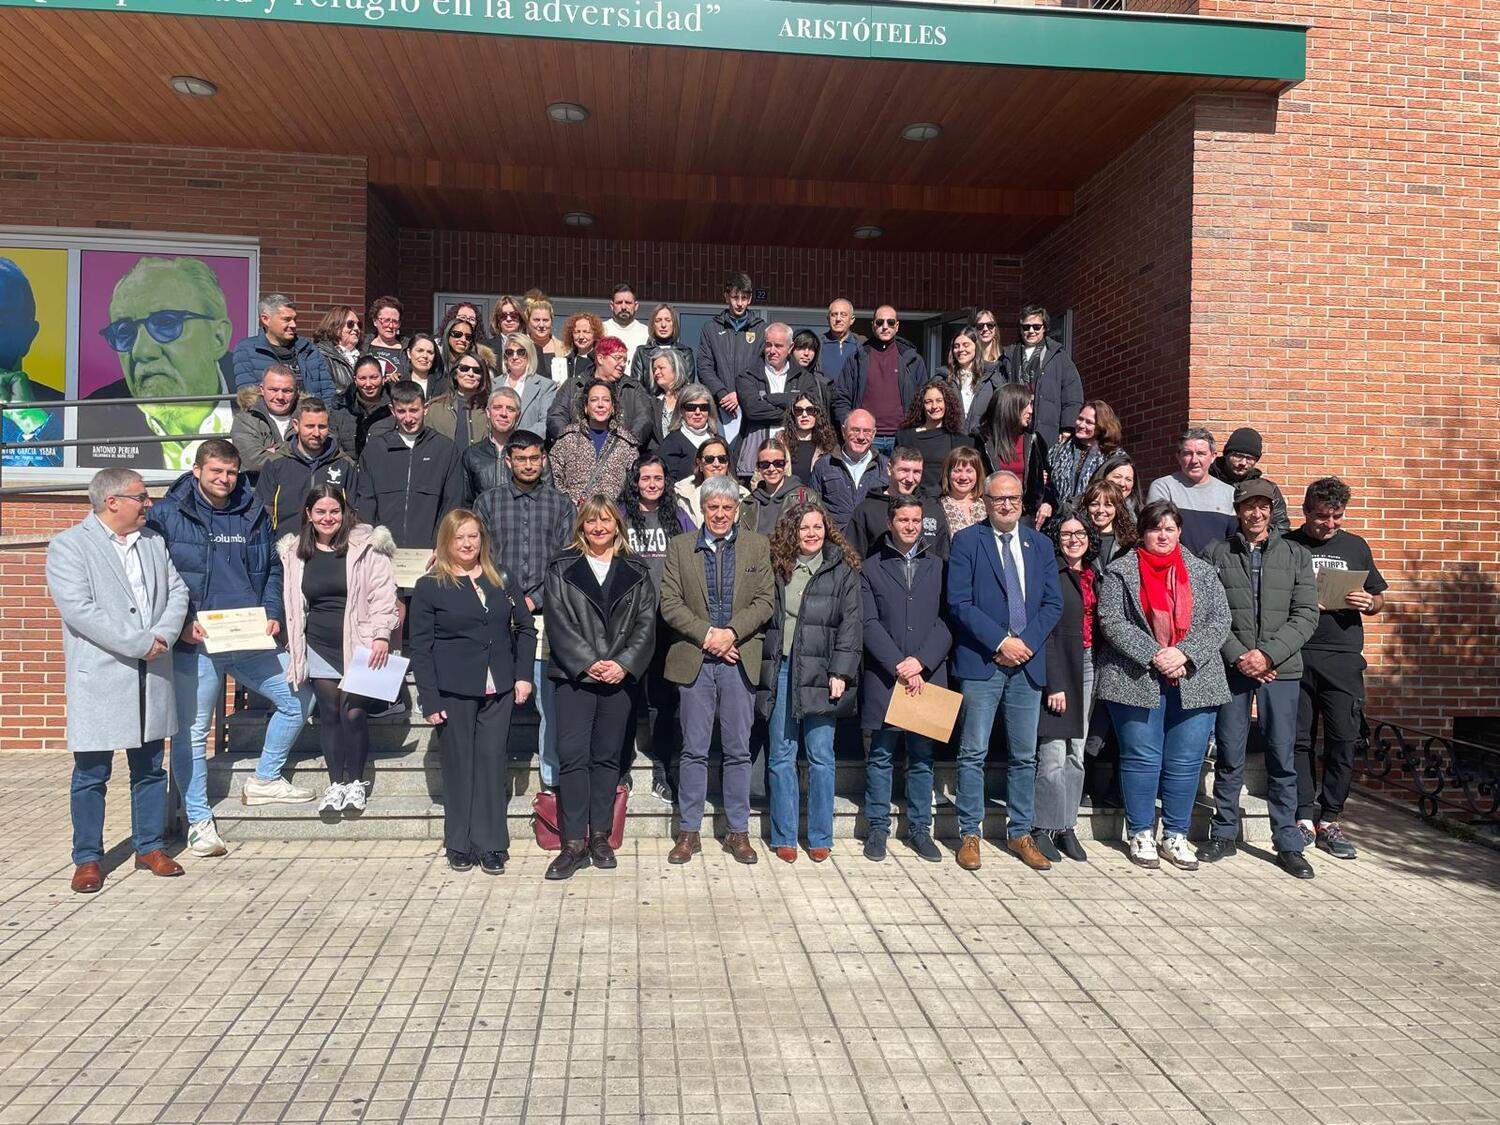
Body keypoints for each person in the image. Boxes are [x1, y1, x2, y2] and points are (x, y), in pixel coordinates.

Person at [149, 439, 312, 860]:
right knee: (193, 732)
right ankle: (199, 820)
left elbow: (273, 566)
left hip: (248, 635)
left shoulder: (253, 509)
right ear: (198, 469)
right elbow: (153, 579)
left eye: (231, 472)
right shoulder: (169, 513)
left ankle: (265, 777)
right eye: (216, 471)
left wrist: (273, 611)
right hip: (197, 642)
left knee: (297, 698)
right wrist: (181, 625)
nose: (224, 479)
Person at [48, 467, 190, 893]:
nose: (149, 504)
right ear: (112, 502)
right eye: (141, 497)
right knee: (91, 773)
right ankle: (88, 858)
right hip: (103, 676)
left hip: (153, 672)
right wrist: (138, 643)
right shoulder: (70, 545)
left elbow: (178, 591)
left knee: (149, 768)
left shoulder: (153, 542)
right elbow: (79, 610)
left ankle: (149, 847)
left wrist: (162, 636)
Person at [1094, 499, 1232, 871]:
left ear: (1180, 532)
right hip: (1134, 677)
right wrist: (1156, 654)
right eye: (1156, 528)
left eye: (1170, 528)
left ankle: (1175, 834)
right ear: (1142, 532)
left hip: (1195, 678)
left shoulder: (1202, 572)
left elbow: (1221, 621)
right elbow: (1111, 620)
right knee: (1142, 758)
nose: (1163, 535)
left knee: (1186, 762)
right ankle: (1140, 833)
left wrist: (1183, 653)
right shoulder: (1120, 571)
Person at [1200, 480, 1319, 877]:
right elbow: (1208, 613)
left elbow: (1306, 614)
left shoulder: (1296, 555)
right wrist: (1239, 656)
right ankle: (1224, 833)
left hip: (1280, 670)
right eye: (1248, 506)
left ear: (1272, 510)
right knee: (1230, 754)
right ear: (1237, 511)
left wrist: (1267, 654)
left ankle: (1286, 841)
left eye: (1263, 507)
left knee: (1282, 756)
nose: (1256, 514)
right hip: (1233, 670)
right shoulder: (1216, 553)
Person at [946, 470, 1064, 871]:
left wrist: (1023, 645)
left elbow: (1052, 603)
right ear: (986, 501)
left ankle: (1019, 834)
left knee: (1024, 756)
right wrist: (1001, 642)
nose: (1007, 504)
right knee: (973, 752)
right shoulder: (966, 542)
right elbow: (959, 603)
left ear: (1022, 502)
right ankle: (970, 834)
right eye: (999, 499)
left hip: (1026, 665)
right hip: (983, 662)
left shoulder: (1040, 544)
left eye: (1013, 498)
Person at [410, 510, 535, 874]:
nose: (467, 544)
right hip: (454, 690)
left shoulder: (501, 579)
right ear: (446, 542)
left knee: (492, 764)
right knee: (460, 765)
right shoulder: (431, 585)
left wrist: (523, 676)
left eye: (473, 536)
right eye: (459, 538)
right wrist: (429, 698)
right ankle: (459, 843)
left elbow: (525, 629)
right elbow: (421, 646)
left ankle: (492, 843)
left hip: (498, 689)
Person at [658, 476, 775, 865]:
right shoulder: (679, 547)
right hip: (696, 659)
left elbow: (765, 602)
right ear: (702, 510)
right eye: (713, 508)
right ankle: (688, 831)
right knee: (693, 750)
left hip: (739, 659)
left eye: (727, 507)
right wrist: (710, 636)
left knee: (739, 750)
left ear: (737, 509)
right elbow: (670, 603)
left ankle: (737, 832)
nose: (721, 514)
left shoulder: (757, 545)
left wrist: (732, 635)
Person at [542, 496, 657, 880]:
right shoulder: (561, 567)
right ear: (581, 526)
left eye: (606, 520)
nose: (598, 527)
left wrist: (622, 664)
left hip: (618, 679)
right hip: (574, 676)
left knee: (608, 758)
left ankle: (601, 837)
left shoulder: (637, 570)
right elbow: (558, 621)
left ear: (617, 526)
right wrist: (590, 662)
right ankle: (574, 842)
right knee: (574, 756)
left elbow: (645, 624)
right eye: (591, 521)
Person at [278, 486, 399, 815]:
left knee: (353, 713)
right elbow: (293, 601)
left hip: (360, 644)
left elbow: (384, 594)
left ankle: (356, 782)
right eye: (320, 512)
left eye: (334, 511)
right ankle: (336, 784)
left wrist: (382, 636)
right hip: (317, 643)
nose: (327, 518)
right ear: (308, 515)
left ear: (344, 513)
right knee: (329, 715)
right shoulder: (295, 552)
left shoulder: (367, 546)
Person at [1286, 477, 1388, 860]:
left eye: (1337, 517)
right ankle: (1301, 815)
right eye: (1322, 517)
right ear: (1306, 512)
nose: (1329, 524)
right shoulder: (1289, 545)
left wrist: (1369, 603)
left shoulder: (1356, 546)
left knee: (1343, 737)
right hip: (1297, 651)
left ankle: (1330, 817)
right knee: (1298, 738)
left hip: (1343, 654)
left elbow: (1378, 600)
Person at [472, 430, 575, 790]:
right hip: (497, 617)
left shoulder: (561, 503)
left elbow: (566, 562)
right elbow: (478, 557)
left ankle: (552, 782)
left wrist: (534, 600)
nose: (528, 465)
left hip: (546, 618)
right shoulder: (488, 503)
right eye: (521, 459)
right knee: (495, 703)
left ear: (543, 459)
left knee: (550, 706)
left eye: (534, 458)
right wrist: (509, 601)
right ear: (508, 461)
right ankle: (489, 781)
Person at [761, 500, 862, 862]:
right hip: (783, 668)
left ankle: (820, 835)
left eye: (817, 527)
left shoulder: (842, 569)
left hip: (823, 673)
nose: (811, 534)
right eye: (804, 528)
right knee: (781, 754)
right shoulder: (779, 567)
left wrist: (841, 672)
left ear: (827, 530)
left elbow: (851, 625)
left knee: (821, 755)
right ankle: (784, 835)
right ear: (793, 531)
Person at [859, 494, 951, 864]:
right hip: (886, 675)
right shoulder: (870, 567)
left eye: (916, 521)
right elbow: (867, 622)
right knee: (880, 754)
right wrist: (900, 663)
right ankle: (878, 828)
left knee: (922, 756)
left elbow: (947, 620)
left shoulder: (940, 567)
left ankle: (918, 830)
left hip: (926, 676)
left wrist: (921, 662)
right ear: (890, 522)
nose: (910, 527)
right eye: (903, 520)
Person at [81, 256, 236, 471]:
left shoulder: (261, 406)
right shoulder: (94, 418)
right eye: (125, 332)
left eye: (166, 323)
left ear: (218, 338)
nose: (142, 351)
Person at [623, 457, 694, 803]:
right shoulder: (621, 514)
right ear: (635, 480)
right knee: (625, 700)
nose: (651, 484)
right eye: (645, 478)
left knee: (663, 702)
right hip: (627, 624)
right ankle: (621, 770)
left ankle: (663, 770)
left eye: (658, 478)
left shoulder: (677, 516)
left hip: (666, 622)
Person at [1033, 512, 1100, 864]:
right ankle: (1043, 825)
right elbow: (1045, 631)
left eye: (1080, 532)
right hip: (1060, 667)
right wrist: (1053, 683)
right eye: (1066, 532)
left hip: (1089, 664)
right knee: (1054, 752)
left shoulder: (1094, 574)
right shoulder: (1050, 574)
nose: (1073, 538)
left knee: (1077, 749)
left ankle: (1066, 824)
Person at [353, 381, 464, 550]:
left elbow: (452, 504)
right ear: (392, 410)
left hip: (430, 551)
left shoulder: (445, 449)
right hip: (381, 552)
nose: (408, 418)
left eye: (414, 410)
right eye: (401, 411)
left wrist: (441, 545)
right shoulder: (375, 449)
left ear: (425, 409)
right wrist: (371, 543)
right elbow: (365, 504)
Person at [734, 322, 825, 477]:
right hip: (755, 456)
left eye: (778, 346)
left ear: (790, 348)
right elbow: (753, 410)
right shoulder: (747, 376)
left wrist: (769, 399)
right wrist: (793, 409)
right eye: (768, 345)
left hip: (793, 458)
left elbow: (813, 409)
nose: (772, 351)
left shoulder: (805, 379)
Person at [256, 397, 357, 536]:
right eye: (310, 426)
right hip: (287, 547)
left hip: (332, 547)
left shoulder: (344, 465)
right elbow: (263, 511)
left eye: (322, 427)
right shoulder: (275, 464)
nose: (316, 433)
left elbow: (353, 512)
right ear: (296, 425)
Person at [833, 304, 927, 450]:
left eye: (890, 322)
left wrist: (916, 430)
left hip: (902, 437)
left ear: (897, 326)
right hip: (866, 438)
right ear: (873, 325)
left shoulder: (912, 359)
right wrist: (849, 428)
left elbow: (923, 398)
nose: (885, 326)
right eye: (879, 322)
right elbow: (841, 397)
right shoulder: (858, 357)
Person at [998, 305, 1082, 451]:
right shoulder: (1008, 356)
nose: (1031, 331)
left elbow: (1072, 393)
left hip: (1047, 429)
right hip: (1014, 428)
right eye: (1026, 327)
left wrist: (1067, 427)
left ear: (1044, 328)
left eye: (1036, 327)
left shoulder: (1058, 356)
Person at [845, 445, 950, 560]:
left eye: (916, 472)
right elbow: (852, 558)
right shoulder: (867, 510)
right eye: (904, 470)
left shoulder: (932, 509)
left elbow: (943, 558)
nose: (910, 479)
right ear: (890, 469)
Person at [548, 378, 642, 506]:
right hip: (575, 517)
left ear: (613, 407)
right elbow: (553, 476)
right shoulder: (568, 439)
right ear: (586, 407)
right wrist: (569, 505)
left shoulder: (626, 443)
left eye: (606, 400)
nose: (600, 405)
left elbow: (634, 484)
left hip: (612, 517)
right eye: (594, 400)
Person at [547, 336, 652, 446]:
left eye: (625, 360)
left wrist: (625, 445)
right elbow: (556, 417)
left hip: (621, 454)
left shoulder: (633, 388)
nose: (622, 364)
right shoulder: (573, 385)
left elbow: (644, 420)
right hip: (576, 452)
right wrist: (570, 443)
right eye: (618, 358)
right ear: (600, 358)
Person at [1146, 428, 1237, 555]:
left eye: (1201, 453)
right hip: (1174, 569)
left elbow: (1233, 541)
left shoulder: (1229, 494)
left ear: (1213, 457)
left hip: (1216, 571)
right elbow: (1158, 537)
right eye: (1187, 453)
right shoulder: (1163, 487)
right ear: (1178, 457)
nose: (1194, 460)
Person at [694, 272, 761, 442]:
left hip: (750, 406)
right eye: (735, 297)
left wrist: (741, 394)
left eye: (744, 298)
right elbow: (704, 367)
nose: (739, 303)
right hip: (719, 406)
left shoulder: (761, 329)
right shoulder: (710, 328)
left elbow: (762, 368)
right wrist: (722, 393)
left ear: (750, 299)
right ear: (726, 297)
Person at [231, 293, 336, 401]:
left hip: (311, 415)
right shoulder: (247, 350)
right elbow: (249, 396)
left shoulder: (309, 350)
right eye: (286, 319)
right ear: (265, 319)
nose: (293, 325)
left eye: (295, 319)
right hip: (267, 417)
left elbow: (328, 392)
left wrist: (320, 416)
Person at [809, 408, 889, 534]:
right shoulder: (824, 466)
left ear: (874, 434)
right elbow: (813, 508)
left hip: (874, 543)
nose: (861, 437)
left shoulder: (885, 467)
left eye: (867, 431)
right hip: (835, 542)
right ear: (843, 431)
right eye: (855, 430)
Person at [978, 383, 1049, 518]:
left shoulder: (1034, 440)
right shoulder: (981, 441)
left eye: (1031, 405)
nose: (1031, 411)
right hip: (990, 515)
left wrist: (1047, 503)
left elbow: (1049, 482)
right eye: (1026, 405)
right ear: (1011, 407)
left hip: (1025, 516)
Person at [895, 378, 975, 498]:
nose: (934, 406)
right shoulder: (905, 437)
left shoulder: (962, 441)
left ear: (947, 403)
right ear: (921, 405)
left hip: (948, 500)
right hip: (913, 500)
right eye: (928, 402)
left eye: (939, 401)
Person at [1209, 426, 1291, 533]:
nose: (1243, 463)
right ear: (1226, 454)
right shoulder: (1206, 480)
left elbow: (1281, 528)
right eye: (1238, 456)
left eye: (1250, 458)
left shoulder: (1268, 489)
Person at [1048, 400, 1123, 510]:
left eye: (1089, 422)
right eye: (1080, 419)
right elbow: (1046, 485)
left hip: (1095, 518)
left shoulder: (1113, 456)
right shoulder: (1058, 450)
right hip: (1058, 520)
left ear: (1101, 426)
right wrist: (1047, 502)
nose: (1081, 425)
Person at [230, 364, 299, 474]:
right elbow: (253, 461)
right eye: (273, 390)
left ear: (296, 392)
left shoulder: (311, 415)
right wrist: (300, 452)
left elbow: (327, 447)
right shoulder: (245, 420)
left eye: (287, 391)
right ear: (262, 389)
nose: (280, 397)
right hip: (259, 486)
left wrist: (273, 451)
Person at [740, 437, 815, 535]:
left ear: (785, 464)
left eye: (778, 463)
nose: (771, 469)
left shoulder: (805, 496)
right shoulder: (749, 503)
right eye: (765, 464)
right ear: (758, 467)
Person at [672, 436, 746, 530]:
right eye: (709, 459)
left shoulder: (743, 495)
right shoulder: (682, 493)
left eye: (722, 459)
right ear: (700, 464)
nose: (716, 464)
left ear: (727, 463)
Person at [462, 387, 523, 501]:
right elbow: (466, 502)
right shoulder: (472, 454)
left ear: (518, 416)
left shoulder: (530, 451)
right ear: (488, 412)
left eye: (510, 409)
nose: (503, 413)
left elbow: (546, 497)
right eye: (497, 408)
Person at [492, 333, 558, 437]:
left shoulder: (545, 386)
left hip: (527, 448)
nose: (515, 357)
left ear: (529, 355)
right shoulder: (493, 384)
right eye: (510, 352)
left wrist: (518, 439)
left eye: (521, 352)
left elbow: (546, 423)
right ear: (505, 357)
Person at [330, 356, 395, 460]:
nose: (368, 384)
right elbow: (333, 444)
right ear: (355, 380)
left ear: (383, 379)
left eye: (374, 377)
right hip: (348, 470)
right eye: (362, 378)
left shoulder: (395, 408)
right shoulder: (341, 407)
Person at [656, 382, 721, 484]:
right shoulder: (671, 442)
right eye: (691, 407)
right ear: (681, 411)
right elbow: (666, 482)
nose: (698, 412)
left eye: (703, 407)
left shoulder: (719, 441)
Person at [937, 325, 997, 434]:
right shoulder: (943, 378)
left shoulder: (991, 377)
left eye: (966, 345)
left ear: (976, 347)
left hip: (981, 442)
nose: (961, 350)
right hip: (952, 440)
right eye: (956, 346)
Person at [426, 351, 489, 447]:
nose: (470, 374)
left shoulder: (490, 408)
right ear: (455, 374)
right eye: (464, 369)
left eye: (477, 371)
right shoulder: (435, 408)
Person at [629, 303, 695, 390]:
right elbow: (636, 388)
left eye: (668, 320)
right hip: (647, 402)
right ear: (653, 325)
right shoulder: (642, 352)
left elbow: (688, 387)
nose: (663, 325)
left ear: (674, 324)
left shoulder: (685, 352)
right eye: (658, 320)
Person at [1079, 477, 1137, 572]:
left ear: (1117, 508)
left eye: (1108, 505)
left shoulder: (1130, 542)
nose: (1100, 510)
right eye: (1094, 504)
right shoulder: (1079, 540)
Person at [781, 392, 839, 484]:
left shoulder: (828, 444)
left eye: (810, 410)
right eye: (798, 410)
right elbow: (760, 478)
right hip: (785, 497)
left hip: (817, 497)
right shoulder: (780, 442)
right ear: (793, 415)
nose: (804, 414)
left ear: (817, 413)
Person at [645, 350, 692, 452]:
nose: (656, 373)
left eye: (661, 368)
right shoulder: (653, 402)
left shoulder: (692, 397)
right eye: (654, 369)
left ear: (675, 368)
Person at [313, 305, 362, 394]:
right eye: (350, 324)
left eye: (358, 324)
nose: (356, 328)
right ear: (336, 327)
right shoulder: (321, 355)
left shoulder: (363, 354)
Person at [940, 445, 987, 534]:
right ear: (948, 473)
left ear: (978, 474)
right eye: (957, 471)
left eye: (969, 471)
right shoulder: (939, 507)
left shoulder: (987, 505)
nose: (963, 477)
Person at [601, 282, 650, 369]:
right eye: (619, 303)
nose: (623, 307)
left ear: (636, 306)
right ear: (612, 306)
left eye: (628, 303)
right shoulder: (602, 330)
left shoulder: (646, 333)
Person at [791, 328, 836, 413]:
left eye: (811, 349)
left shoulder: (823, 382)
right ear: (791, 349)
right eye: (801, 348)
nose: (806, 353)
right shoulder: (780, 377)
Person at [819, 297, 863, 384]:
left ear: (852, 320)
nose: (838, 319)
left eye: (843, 314)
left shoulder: (863, 345)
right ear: (828, 318)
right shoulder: (817, 344)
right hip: (824, 397)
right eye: (834, 314)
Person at [1091, 449, 1143, 520]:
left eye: (1128, 479)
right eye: (1117, 477)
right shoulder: (1081, 509)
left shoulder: (1140, 514)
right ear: (1103, 477)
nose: (1122, 483)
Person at [365, 296, 408, 379]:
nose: (391, 326)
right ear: (375, 321)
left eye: (395, 321)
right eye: (386, 320)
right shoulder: (362, 346)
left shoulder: (407, 348)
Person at [525, 297, 564, 381]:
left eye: (545, 320)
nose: (541, 325)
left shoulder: (564, 349)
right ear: (528, 322)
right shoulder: (520, 347)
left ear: (551, 321)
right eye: (536, 320)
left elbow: (576, 380)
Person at [436, 306, 480, 378]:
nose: (463, 340)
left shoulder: (477, 362)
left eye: (468, 337)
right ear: (448, 335)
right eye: (457, 334)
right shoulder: (435, 358)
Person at [558, 310, 601, 384]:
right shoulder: (566, 361)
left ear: (595, 335)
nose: (581, 336)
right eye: (577, 332)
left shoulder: (600, 361)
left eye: (586, 332)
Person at [404, 333, 445, 401]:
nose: (425, 356)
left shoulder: (444, 386)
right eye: (420, 351)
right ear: (409, 353)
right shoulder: (397, 383)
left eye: (430, 352)